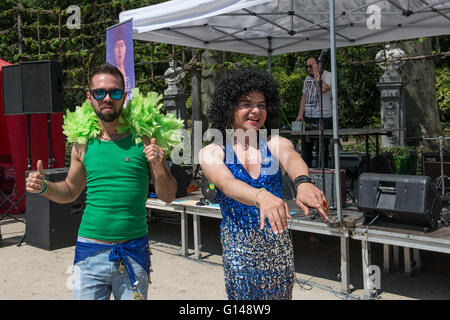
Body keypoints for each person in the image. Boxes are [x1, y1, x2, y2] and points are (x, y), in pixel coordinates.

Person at [25, 63, 177, 300]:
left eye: (115, 92)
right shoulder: (82, 143)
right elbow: (69, 191)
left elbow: (168, 196)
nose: (107, 98)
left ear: (124, 97)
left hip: (133, 252)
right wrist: (44, 187)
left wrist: (159, 166)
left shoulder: (146, 139)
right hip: (90, 252)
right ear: (90, 97)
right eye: (100, 92)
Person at [199, 68, 329, 300]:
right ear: (229, 107)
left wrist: (303, 182)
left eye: (262, 104)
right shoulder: (212, 151)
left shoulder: (275, 142)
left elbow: (291, 158)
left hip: (278, 257)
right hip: (239, 256)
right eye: (246, 103)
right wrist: (261, 196)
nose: (256, 110)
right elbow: (226, 183)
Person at [296, 54, 333, 168]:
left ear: (318, 64)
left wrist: (317, 73)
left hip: (323, 117)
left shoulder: (328, 75)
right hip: (309, 117)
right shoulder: (307, 79)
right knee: (306, 148)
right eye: (307, 67)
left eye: (311, 66)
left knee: (322, 150)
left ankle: (322, 173)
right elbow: (304, 97)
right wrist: (300, 114)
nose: (308, 69)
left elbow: (324, 89)